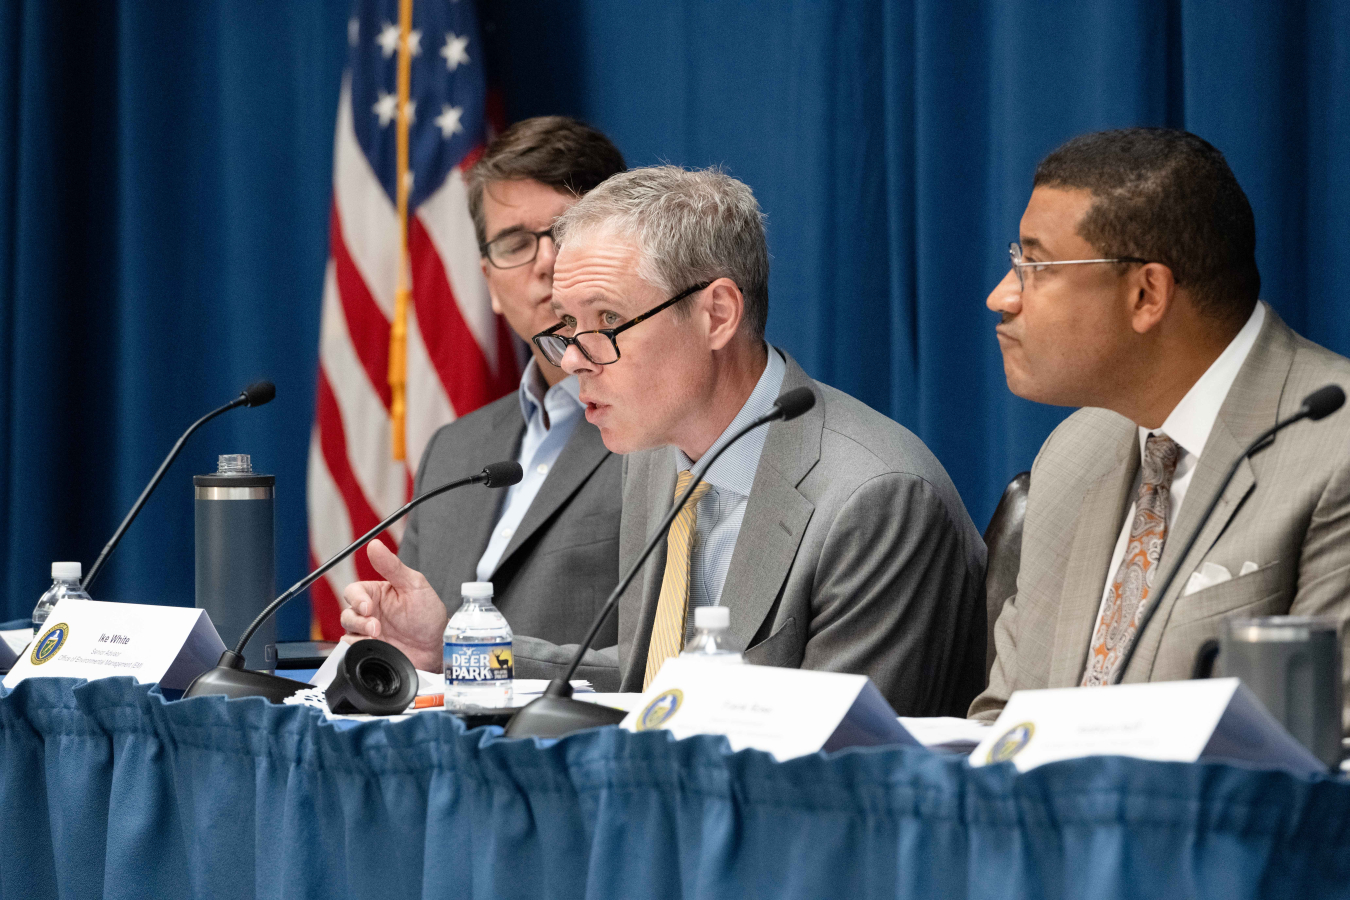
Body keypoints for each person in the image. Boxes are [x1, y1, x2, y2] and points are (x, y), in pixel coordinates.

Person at [526, 165, 987, 715]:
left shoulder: (875, 497)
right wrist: (461, 647)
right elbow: (654, 679)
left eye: (607, 317)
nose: (574, 358)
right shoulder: (657, 458)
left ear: (716, 315)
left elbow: (838, 754)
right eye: (568, 326)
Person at [970, 128, 1350, 726]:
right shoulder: (1075, 450)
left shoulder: (1335, 448)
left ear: (1147, 293)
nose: (1002, 297)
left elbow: (1323, 754)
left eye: (1036, 266)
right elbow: (1004, 721)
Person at [341, 117, 628, 687]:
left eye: (567, 231)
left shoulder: (667, 431)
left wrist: (463, 652)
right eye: (515, 243)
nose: (545, 262)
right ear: (489, 283)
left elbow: (679, 659)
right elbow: (425, 650)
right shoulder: (455, 451)